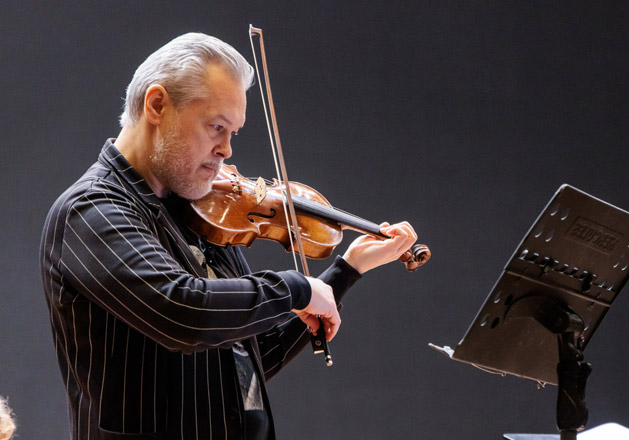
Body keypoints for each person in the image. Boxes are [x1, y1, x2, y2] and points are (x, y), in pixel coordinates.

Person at [40, 32, 417, 440]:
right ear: (157, 105)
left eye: (233, 133)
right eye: (217, 127)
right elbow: (182, 309)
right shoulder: (91, 210)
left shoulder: (198, 210)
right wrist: (296, 289)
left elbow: (245, 359)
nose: (226, 150)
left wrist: (346, 271)